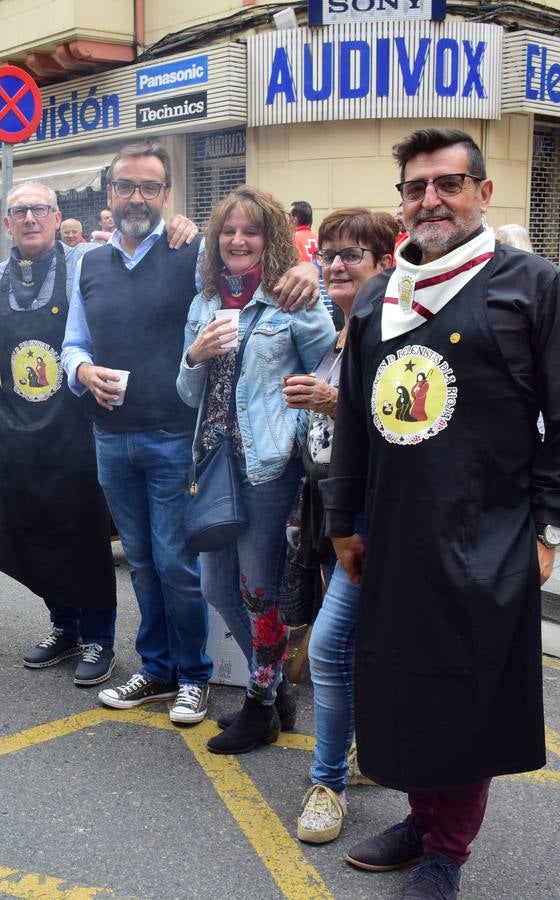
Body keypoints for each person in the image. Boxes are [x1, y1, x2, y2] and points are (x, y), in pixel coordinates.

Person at [323, 128, 560, 899]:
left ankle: (447, 850)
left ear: (482, 192)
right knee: (402, 686)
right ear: (402, 202)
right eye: (415, 188)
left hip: (489, 532)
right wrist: (345, 520)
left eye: (448, 183)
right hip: (392, 531)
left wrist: (546, 528)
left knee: (465, 690)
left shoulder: (536, 287)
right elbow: (354, 418)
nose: (430, 199)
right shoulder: (381, 293)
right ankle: (418, 817)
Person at [63, 141, 322, 723]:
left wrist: (308, 267)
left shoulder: (193, 250)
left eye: (148, 187)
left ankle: (194, 675)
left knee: (177, 563)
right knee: (141, 561)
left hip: (179, 438)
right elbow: (73, 342)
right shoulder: (88, 262)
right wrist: (81, 370)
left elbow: (257, 257)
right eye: (125, 186)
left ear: (166, 195)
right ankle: (155, 669)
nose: (136, 197)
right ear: (108, 193)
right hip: (110, 436)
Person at [0, 181, 198, 687]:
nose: (30, 219)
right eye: (19, 212)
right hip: (20, 428)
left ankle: (99, 636)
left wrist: (184, 225)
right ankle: (63, 626)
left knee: (84, 533)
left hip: (78, 424)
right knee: (37, 529)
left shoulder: (86, 262)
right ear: (7, 223)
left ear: (56, 218)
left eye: (39, 210)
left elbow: (143, 248)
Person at [177, 187, 335, 751]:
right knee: (219, 588)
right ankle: (275, 694)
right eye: (228, 231)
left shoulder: (292, 296)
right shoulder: (203, 300)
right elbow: (185, 389)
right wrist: (194, 356)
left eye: (251, 232)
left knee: (258, 591)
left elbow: (330, 365)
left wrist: (312, 277)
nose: (238, 241)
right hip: (214, 461)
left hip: (269, 466)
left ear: (269, 240)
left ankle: (259, 703)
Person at [279, 208, 398, 844]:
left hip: (375, 519)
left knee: (326, 647)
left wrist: (335, 403)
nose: (337, 265)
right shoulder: (335, 335)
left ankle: (328, 782)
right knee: (349, 647)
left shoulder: (391, 335)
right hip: (329, 513)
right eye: (329, 254)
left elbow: (407, 433)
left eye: (354, 255)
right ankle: (364, 753)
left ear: (385, 264)